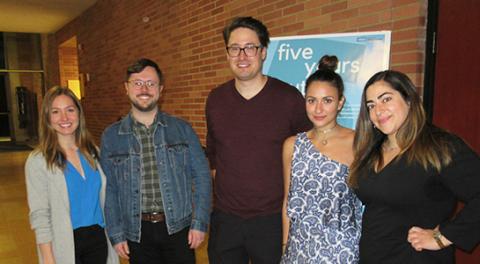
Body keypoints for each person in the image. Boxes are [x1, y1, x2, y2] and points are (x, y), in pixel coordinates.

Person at [206, 16, 312, 264]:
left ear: (263, 52)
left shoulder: (288, 98)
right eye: (234, 48)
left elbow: (307, 154)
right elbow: (214, 152)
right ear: (227, 53)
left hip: (272, 222)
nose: (242, 55)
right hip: (226, 222)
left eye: (250, 47)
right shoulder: (215, 99)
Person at [349, 70, 480, 263]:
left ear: (409, 100)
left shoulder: (439, 146)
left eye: (386, 99)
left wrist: (442, 237)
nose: (378, 110)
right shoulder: (372, 151)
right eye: (371, 105)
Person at [100, 58, 212, 263]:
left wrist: (199, 222)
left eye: (151, 83)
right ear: (127, 88)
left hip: (179, 229)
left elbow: (202, 176)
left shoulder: (182, 129)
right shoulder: (111, 136)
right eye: (137, 83)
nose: (144, 88)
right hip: (136, 232)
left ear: (160, 89)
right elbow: (110, 189)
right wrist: (116, 233)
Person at [281, 56, 362, 263]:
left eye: (327, 100)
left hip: (342, 249)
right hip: (299, 247)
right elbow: (288, 202)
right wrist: (285, 246)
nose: (318, 109)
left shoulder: (358, 142)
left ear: (340, 102)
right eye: (312, 100)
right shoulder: (292, 145)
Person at [25, 86, 118, 264]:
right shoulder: (38, 161)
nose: (64, 118)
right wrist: (48, 258)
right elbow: (40, 215)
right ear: (47, 118)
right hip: (65, 243)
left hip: (98, 240)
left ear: (78, 114)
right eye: (56, 112)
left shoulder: (93, 152)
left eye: (70, 110)